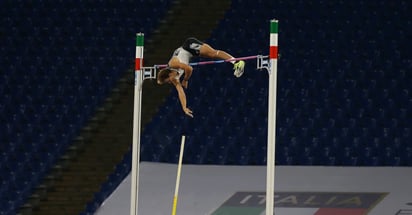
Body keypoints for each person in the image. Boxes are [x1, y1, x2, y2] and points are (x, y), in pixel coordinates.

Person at [157, 37, 245, 118]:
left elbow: (189, 68)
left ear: (168, 74)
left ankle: (237, 62)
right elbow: (180, 92)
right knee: (212, 55)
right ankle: (236, 63)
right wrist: (184, 107)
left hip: (188, 46)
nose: (169, 82)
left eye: (167, 81)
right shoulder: (173, 78)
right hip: (190, 53)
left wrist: (185, 80)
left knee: (213, 53)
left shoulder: (173, 64)